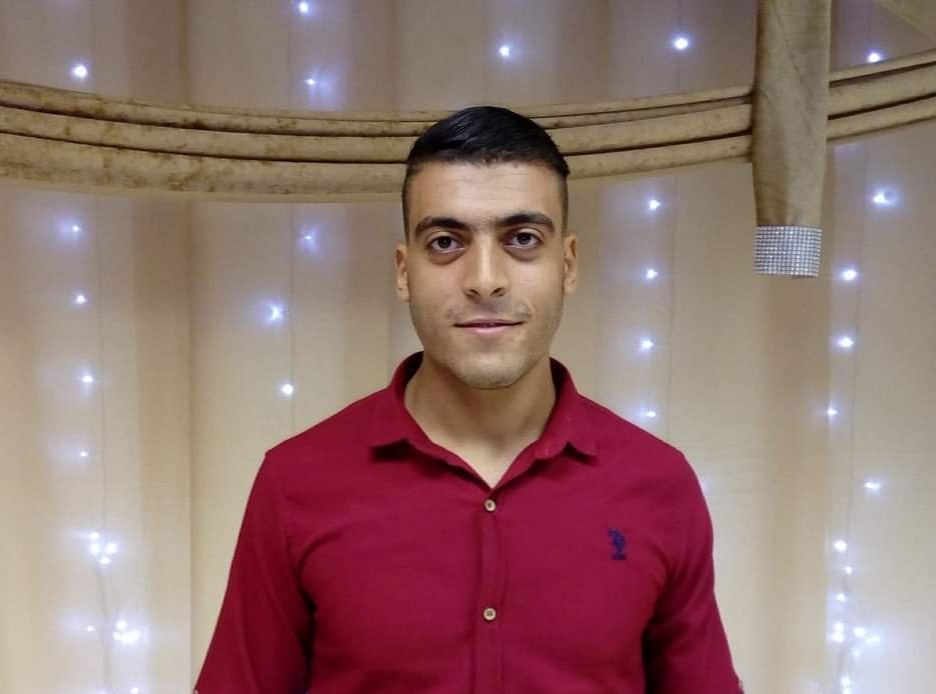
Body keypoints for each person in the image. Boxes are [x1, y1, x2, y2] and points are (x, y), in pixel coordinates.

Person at [195, 106, 744, 694]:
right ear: (404, 271)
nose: (485, 279)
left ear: (567, 264)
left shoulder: (660, 483)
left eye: (523, 239)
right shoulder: (296, 481)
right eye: (446, 242)